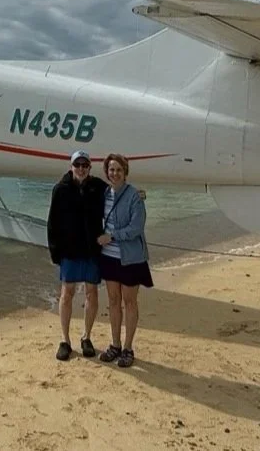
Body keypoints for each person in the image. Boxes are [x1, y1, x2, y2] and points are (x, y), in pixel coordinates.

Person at [46, 150, 106, 361]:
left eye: (85, 165)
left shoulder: (98, 187)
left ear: (90, 167)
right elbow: (52, 223)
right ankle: (65, 340)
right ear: (71, 166)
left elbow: (115, 201)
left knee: (92, 294)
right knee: (67, 293)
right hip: (69, 250)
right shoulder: (60, 189)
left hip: (92, 250)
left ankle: (86, 337)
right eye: (77, 164)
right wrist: (55, 252)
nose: (81, 168)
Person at [96, 153, 153, 368]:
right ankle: (115, 344)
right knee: (112, 302)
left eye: (119, 169)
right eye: (111, 169)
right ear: (106, 172)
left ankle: (128, 348)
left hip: (130, 258)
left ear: (125, 172)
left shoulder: (134, 196)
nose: (115, 173)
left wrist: (111, 236)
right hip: (109, 257)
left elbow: (136, 228)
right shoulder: (104, 194)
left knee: (129, 302)